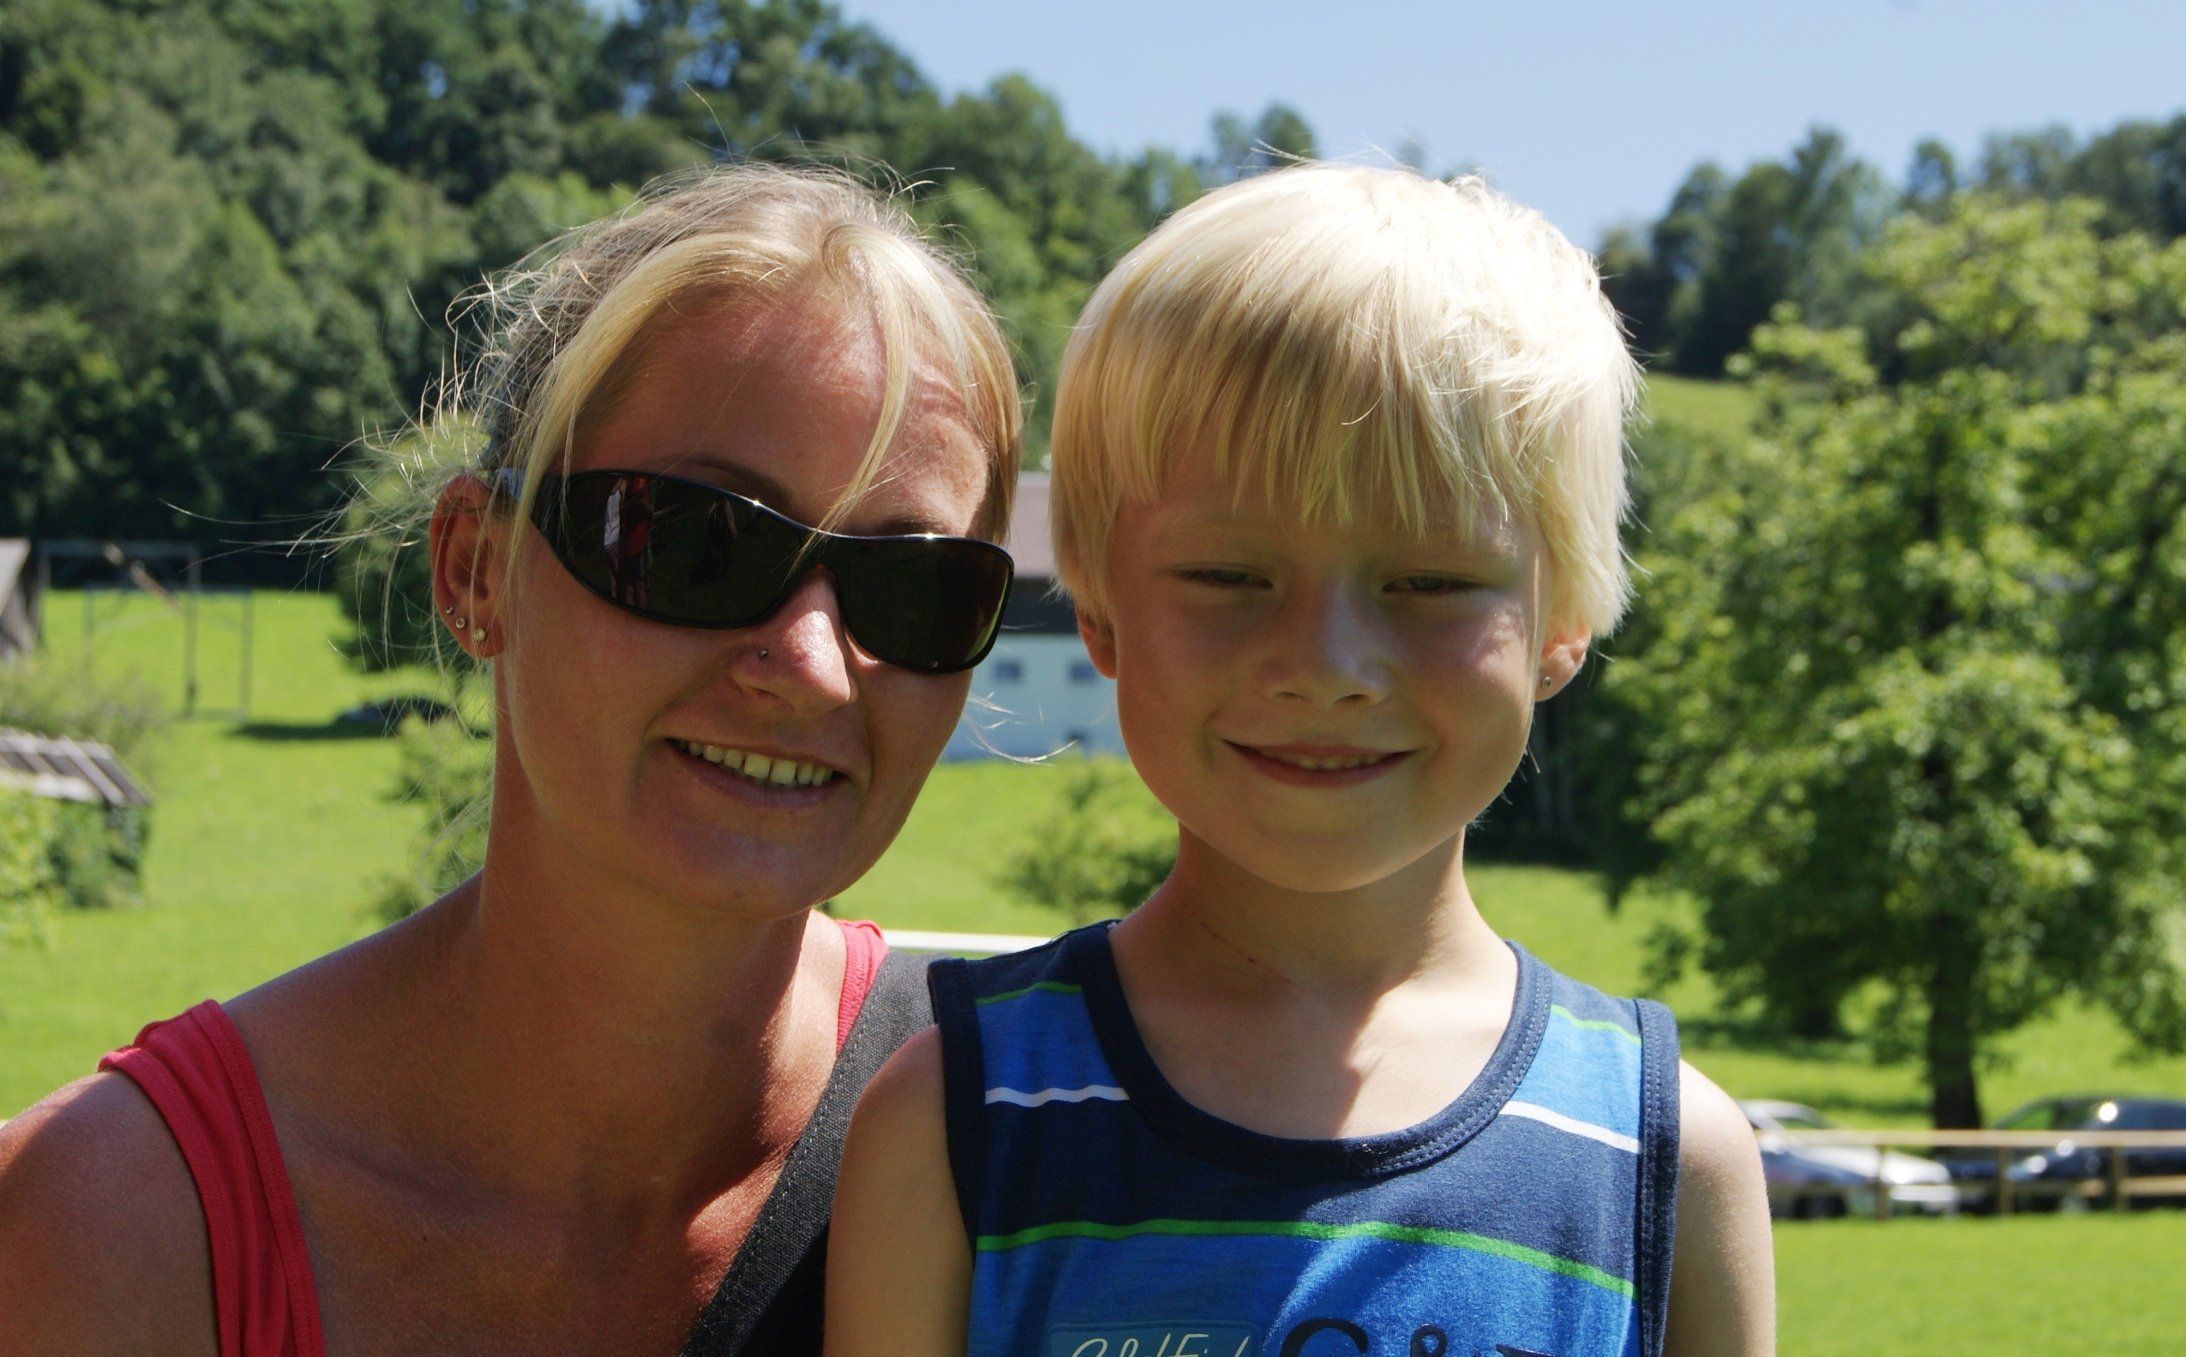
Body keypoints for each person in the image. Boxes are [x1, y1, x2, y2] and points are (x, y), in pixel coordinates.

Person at [0, 163, 1023, 1356]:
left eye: (914, 587)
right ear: (476, 569)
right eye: (695, 540)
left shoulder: (1037, 1157)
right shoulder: (103, 1225)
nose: (811, 666)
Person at [828, 163, 1774, 1357]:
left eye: (1428, 581)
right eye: (1229, 575)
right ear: (1100, 612)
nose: (1325, 665)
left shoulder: (1666, 1155)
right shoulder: (959, 1114)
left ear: (1561, 626)